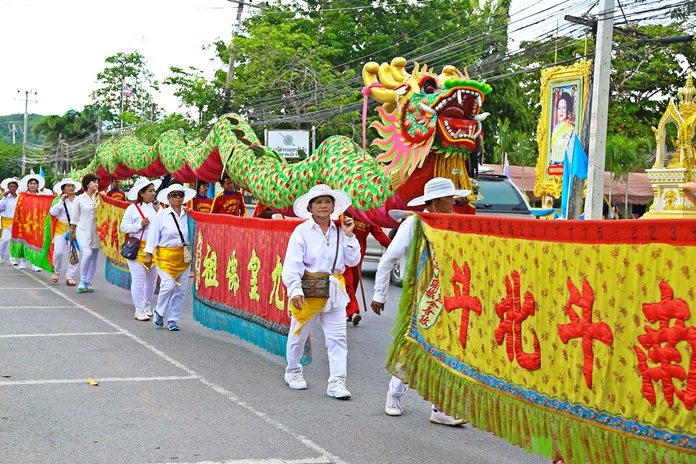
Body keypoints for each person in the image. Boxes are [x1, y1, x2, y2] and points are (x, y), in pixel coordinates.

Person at [371, 177, 470, 426]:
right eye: (449, 198)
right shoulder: (413, 225)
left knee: (444, 349)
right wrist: (379, 295)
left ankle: (440, 407)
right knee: (412, 346)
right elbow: (388, 259)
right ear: (435, 201)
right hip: (418, 295)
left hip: (444, 294)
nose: (453, 203)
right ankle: (394, 395)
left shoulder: (449, 225)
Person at [282, 184, 361, 399]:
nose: (324, 205)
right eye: (318, 202)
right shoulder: (302, 232)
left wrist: (350, 236)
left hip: (335, 292)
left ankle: (337, 381)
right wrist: (295, 290)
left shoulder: (340, 230)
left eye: (327, 201)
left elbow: (353, 261)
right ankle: (293, 371)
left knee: (338, 338)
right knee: (299, 334)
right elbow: (292, 264)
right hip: (309, 290)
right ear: (310, 207)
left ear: (334, 205)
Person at [144, 184, 196, 331]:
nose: (177, 197)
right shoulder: (161, 215)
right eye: (174, 194)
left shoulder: (189, 215)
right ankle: (159, 311)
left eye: (180, 194)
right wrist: (148, 254)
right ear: (168, 198)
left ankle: (173, 319)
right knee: (168, 285)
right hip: (165, 256)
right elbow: (153, 235)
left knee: (181, 291)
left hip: (183, 256)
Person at [120, 177, 162, 321]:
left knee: (152, 280)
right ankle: (138, 309)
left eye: (154, 191)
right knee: (138, 279)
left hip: (154, 248)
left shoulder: (157, 208)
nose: (153, 194)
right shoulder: (132, 208)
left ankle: (146, 305)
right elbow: (123, 226)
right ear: (141, 193)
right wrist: (139, 225)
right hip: (138, 247)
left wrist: (158, 211)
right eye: (150, 191)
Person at [342, 215, 391, 326]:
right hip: (342, 255)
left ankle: (346, 311)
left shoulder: (368, 217)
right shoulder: (342, 212)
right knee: (347, 284)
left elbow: (379, 234)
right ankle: (354, 311)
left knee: (353, 284)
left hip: (358, 255)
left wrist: (394, 248)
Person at [69, 174, 102, 293]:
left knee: (94, 256)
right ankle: (82, 280)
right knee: (87, 253)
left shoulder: (100, 198)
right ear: (87, 184)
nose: (96, 184)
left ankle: (89, 281)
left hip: (96, 231)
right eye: (93, 182)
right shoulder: (79, 199)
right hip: (83, 230)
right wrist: (72, 232)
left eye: (97, 182)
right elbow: (75, 217)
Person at [48, 178, 82, 285]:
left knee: (75, 253)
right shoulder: (59, 200)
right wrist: (61, 200)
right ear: (63, 189)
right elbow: (53, 212)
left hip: (75, 230)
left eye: (72, 186)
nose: (71, 188)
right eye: (68, 186)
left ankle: (70, 276)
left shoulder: (79, 199)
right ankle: (56, 271)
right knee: (58, 252)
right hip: (61, 229)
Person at [18, 174, 52, 271]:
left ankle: (35, 263)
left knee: (36, 242)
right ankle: (23, 261)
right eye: (31, 184)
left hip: (38, 223)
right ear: (27, 185)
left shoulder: (42, 196)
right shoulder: (23, 196)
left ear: (38, 185)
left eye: (35, 184)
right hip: (26, 222)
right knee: (26, 241)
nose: (33, 185)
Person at [0, 177, 20, 265]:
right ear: (8, 187)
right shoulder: (5, 197)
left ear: (16, 187)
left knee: (15, 241)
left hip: (17, 222)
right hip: (6, 221)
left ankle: (13, 258)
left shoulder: (19, 197)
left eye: (14, 186)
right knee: (5, 239)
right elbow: (1, 207)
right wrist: (4, 197)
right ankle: (2, 254)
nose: (12, 188)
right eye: (10, 186)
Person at [550, 92, 575, 164]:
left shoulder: (571, 129)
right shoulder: (555, 129)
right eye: (559, 108)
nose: (561, 111)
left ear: (568, 110)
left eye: (564, 108)